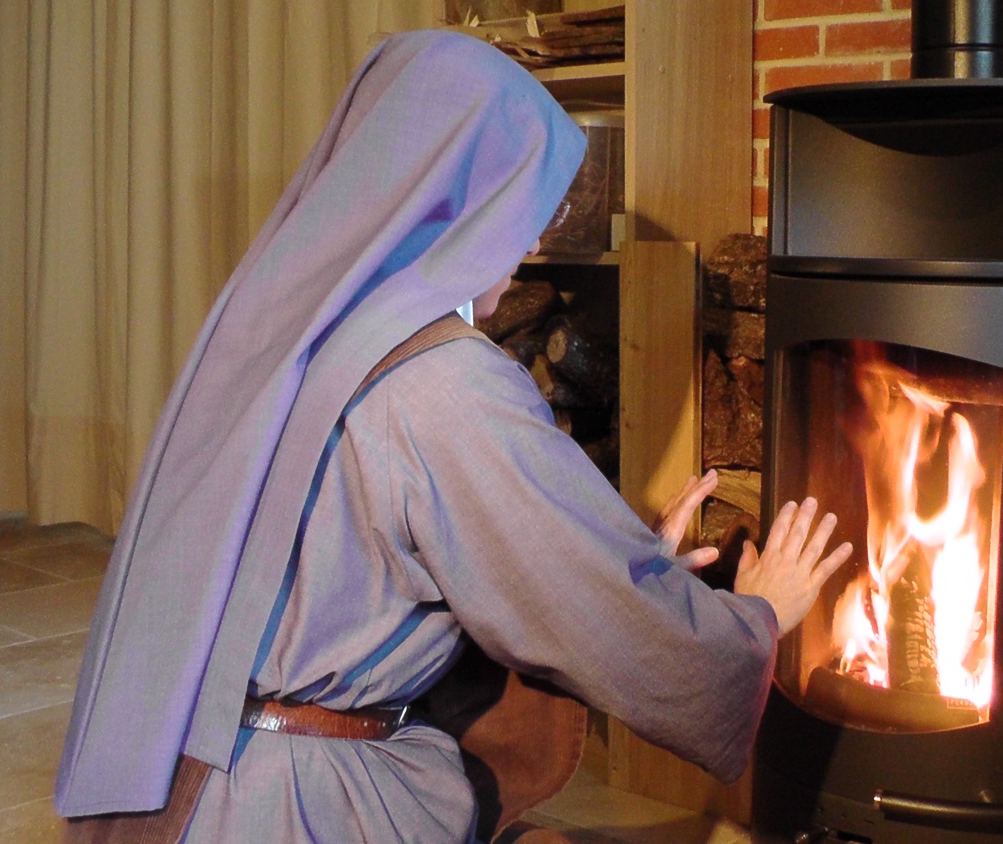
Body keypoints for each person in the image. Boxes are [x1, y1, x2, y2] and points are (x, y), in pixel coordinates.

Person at [54, 29, 851, 844]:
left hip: (184, 762)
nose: (533, 242)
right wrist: (754, 619)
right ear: (457, 196)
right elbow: (583, 607)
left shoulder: (287, 319)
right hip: (289, 808)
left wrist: (623, 564)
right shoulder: (444, 379)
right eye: (520, 205)